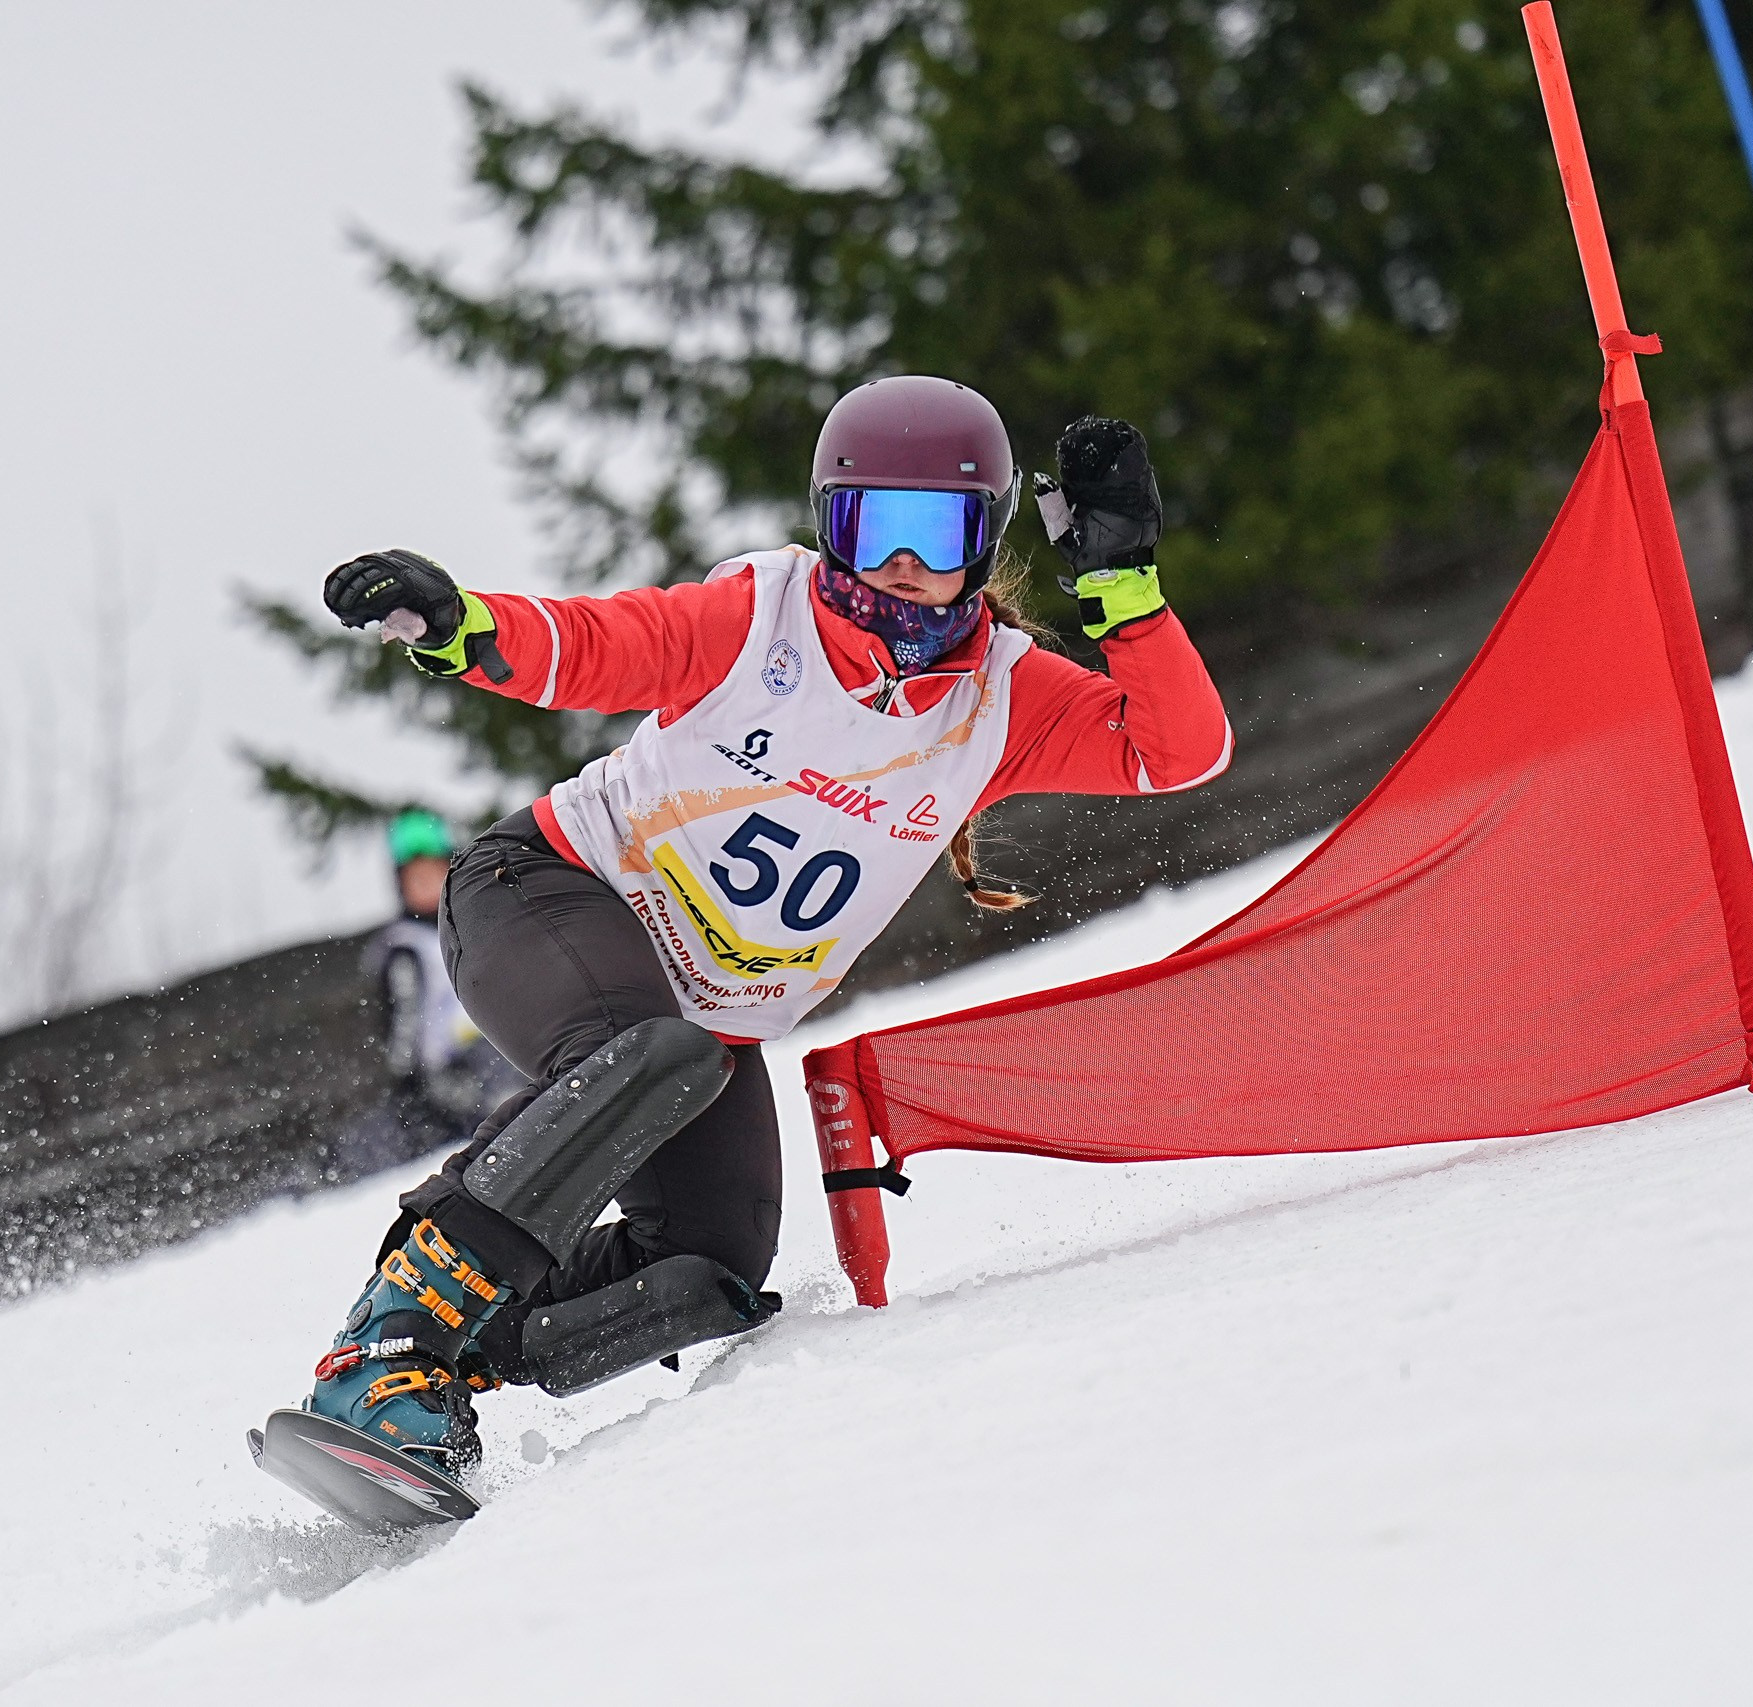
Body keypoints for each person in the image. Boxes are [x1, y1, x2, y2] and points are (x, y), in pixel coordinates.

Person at [294, 376, 1230, 1468]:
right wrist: (462, 628)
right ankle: (383, 1344)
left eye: (936, 532)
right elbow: (600, 644)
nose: (902, 565)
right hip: (545, 893)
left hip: (701, 1025)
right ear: (831, 523)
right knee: (646, 1053)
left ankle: (449, 1365)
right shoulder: (763, 613)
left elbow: (1174, 750)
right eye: (873, 526)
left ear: (983, 540)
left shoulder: (1003, 700)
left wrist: (1124, 591)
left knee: (708, 1272)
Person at [340, 809, 518, 1175]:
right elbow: (405, 1032)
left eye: (434, 875)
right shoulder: (407, 949)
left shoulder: (471, 923)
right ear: (401, 887)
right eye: (415, 880)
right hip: (452, 1070)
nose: (427, 886)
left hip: (499, 1047)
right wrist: (416, 1080)